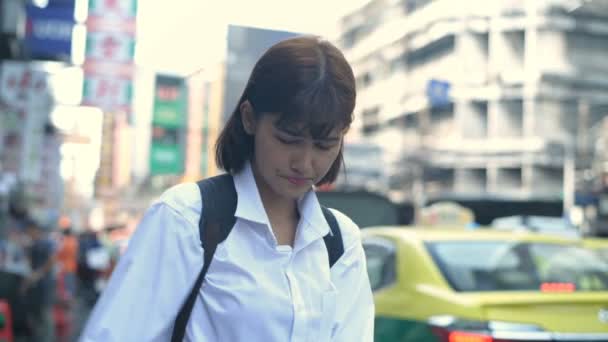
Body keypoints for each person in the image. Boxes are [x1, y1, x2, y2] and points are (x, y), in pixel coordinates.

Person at [80, 36, 374, 341]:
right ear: (249, 118)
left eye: (325, 145)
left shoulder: (341, 242)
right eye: (288, 139)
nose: (305, 163)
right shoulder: (187, 218)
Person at [21, 219, 56, 342]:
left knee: (45, 313)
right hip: (35, 285)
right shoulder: (33, 244)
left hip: (44, 284)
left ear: (35, 229)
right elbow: (30, 263)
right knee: (35, 313)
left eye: (29, 231)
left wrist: (38, 274)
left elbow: (51, 261)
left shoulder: (46, 242)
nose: (28, 233)